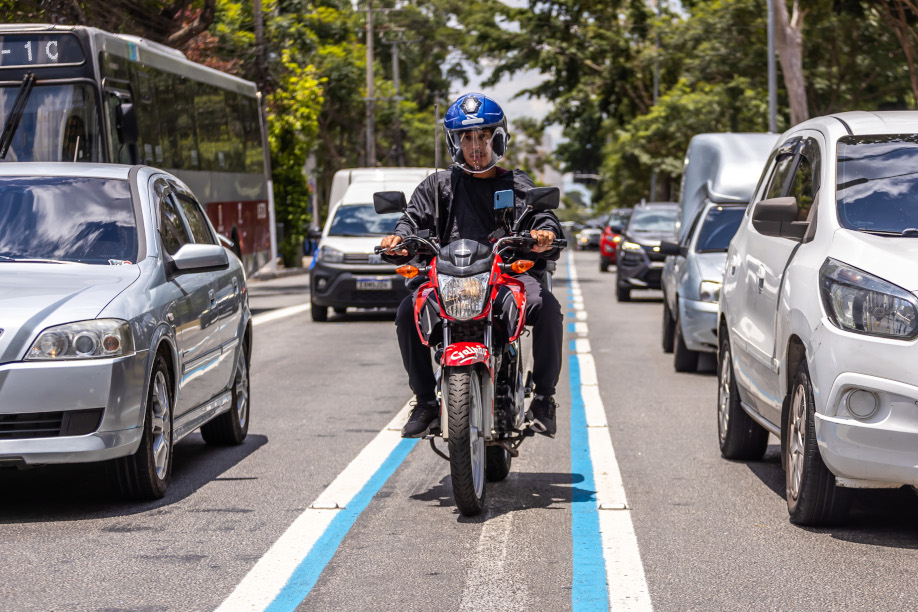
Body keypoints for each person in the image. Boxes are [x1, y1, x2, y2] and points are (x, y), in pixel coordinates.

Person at [379, 92, 565, 439]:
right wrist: (398, 241)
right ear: (455, 142)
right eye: (467, 137)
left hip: (505, 279)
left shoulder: (516, 183)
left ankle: (543, 399)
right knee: (407, 312)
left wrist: (545, 233)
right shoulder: (437, 187)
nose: (476, 145)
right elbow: (409, 222)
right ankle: (425, 402)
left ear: (499, 137)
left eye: (484, 135)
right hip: (449, 281)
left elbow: (545, 217)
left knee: (548, 307)